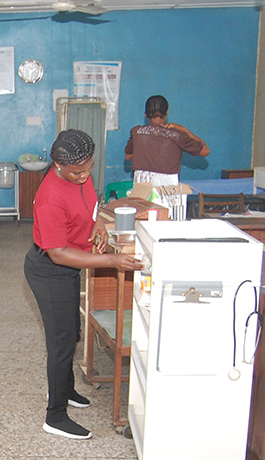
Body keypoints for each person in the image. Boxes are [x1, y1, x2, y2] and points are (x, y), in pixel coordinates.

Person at [25, 129, 144, 440]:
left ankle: (67, 391)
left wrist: (99, 223)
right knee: (61, 343)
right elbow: (58, 252)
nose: (84, 176)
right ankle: (55, 415)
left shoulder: (79, 174)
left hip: (68, 265)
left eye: (89, 168)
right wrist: (112, 262)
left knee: (73, 333)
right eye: (78, 172)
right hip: (49, 270)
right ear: (57, 165)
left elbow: (90, 204)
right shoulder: (50, 196)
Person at [124, 95, 210, 185]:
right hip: (167, 191)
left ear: (145, 114)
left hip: (141, 189)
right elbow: (205, 151)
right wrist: (183, 129)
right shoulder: (176, 135)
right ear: (167, 113)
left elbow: (128, 156)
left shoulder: (136, 132)